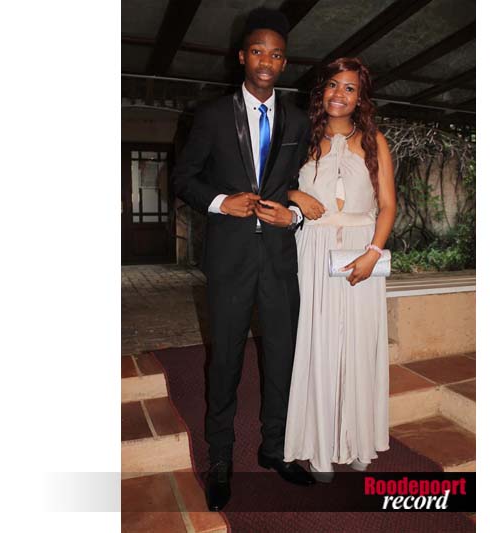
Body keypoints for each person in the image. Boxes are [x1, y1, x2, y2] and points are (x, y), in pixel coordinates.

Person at [172, 8, 315, 512]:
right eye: (258, 51)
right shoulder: (211, 115)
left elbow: (302, 186)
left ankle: (275, 449)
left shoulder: (299, 120)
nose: (266, 62)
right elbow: (183, 178)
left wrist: (294, 216)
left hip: (278, 258)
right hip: (229, 259)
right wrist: (219, 202)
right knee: (226, 360)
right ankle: (221, 459)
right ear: (241, 56)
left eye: (276, 55)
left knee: (281, 357)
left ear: (284, 62)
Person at [283, 57, 397, 482]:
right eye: (333, 85)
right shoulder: (301, 136)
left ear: (360, 97)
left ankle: (359, 440)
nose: (339, 94)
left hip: (362, 250)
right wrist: (294, 193)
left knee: (359, 346)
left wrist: (373, 252)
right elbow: (272, 185)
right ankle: (319, 447)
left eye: (350, 88)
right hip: (314, 249)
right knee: (318, 344)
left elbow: (388, 205)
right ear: (321, 90)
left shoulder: (375, 140)